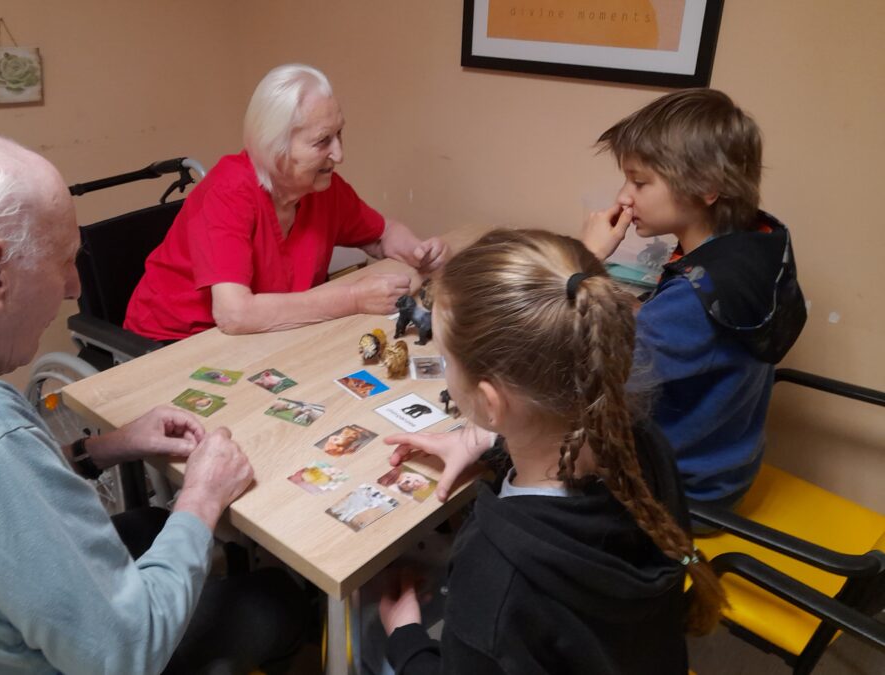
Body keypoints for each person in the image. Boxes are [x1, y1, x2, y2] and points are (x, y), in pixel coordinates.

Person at [0, 131, 301, 675]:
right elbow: (129, 652)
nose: (72, 287)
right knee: (275, 600)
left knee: (151, 524)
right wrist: (202, 497)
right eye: (65, 261)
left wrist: (105, 447)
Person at [378, 230, 724, 673]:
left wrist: (405, 638)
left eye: (446, 361)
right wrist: (481, 440)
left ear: (489, 403)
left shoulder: (494, 570)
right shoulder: (641, 440)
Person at [580, 88, 806, 509]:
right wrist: (639, 312)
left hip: (683, 490)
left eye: (640, 181)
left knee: (530, 449)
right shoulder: (755, 244)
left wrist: (587, 263)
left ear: (706, 187)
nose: (623, 197)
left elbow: (598, 381)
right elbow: (692, 338)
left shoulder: (691, 301)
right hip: (727, 464)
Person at [124, 63, 448, 341]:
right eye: (323, 141)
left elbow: (380, 233)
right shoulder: (229, 192)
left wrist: (416, 252)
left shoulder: (321, 186)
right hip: (173, 343)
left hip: (262, 336)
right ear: (275, 146)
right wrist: (353, 297)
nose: (339, 154)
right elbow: (234, 314)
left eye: (339, 135)